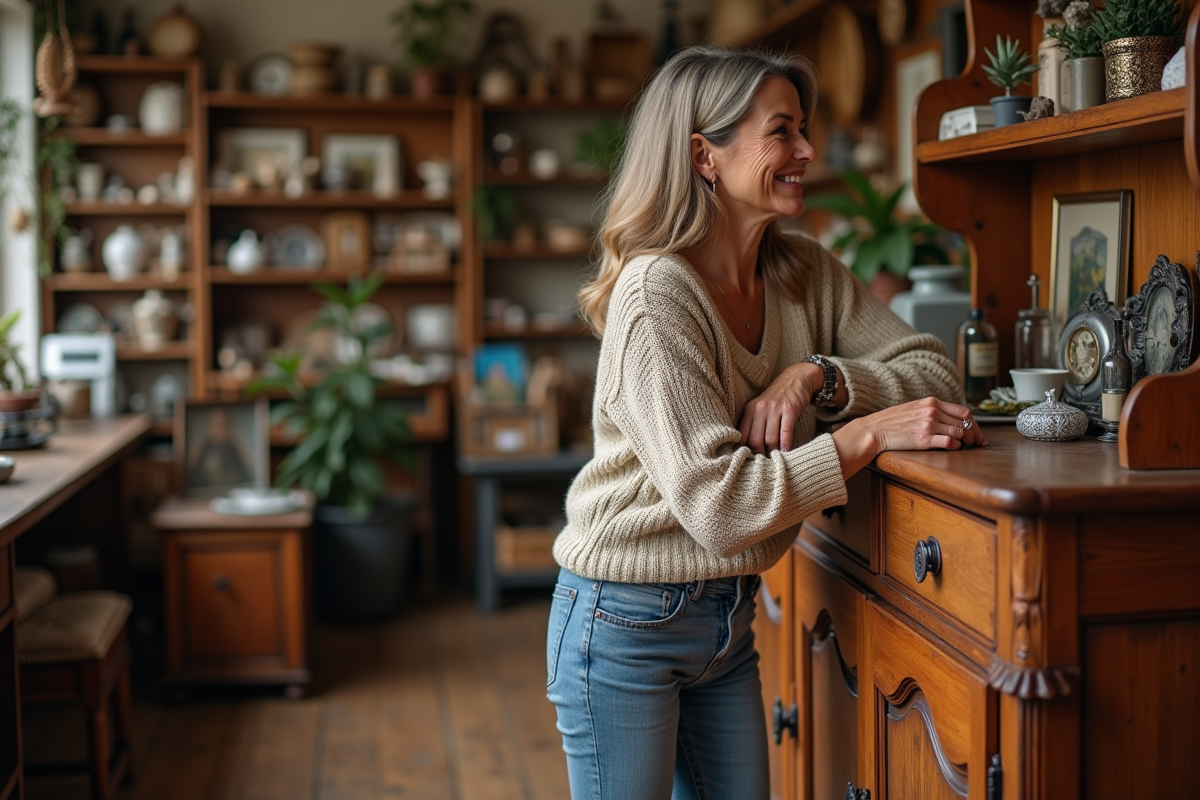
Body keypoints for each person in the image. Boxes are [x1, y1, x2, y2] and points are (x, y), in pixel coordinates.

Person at [545, 45, 985, 800]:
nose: (808, 152)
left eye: (803, 130)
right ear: (703, 156)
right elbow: (721, 506)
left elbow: (936, 373)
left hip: (726, 622)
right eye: (783, 131)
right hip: (622, 627)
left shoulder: (804, 271)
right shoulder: (657, 294)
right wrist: (864, 435)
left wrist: (817, 373)